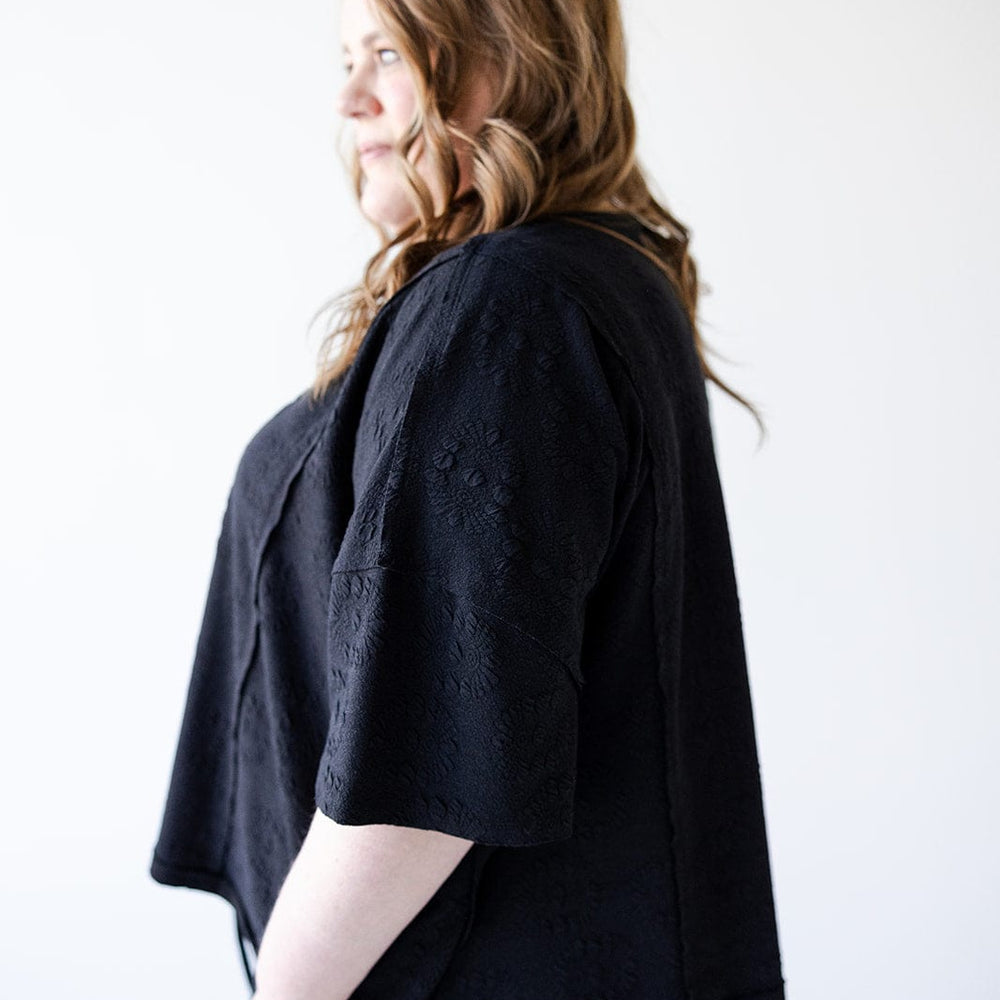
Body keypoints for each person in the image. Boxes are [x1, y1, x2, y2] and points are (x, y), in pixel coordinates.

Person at [148, 0, 787, 996]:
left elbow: (431, 752)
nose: (349, 98)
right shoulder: (588, 279)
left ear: (511, 54)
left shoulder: (510, 306)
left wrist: (292, 981)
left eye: (390, 54)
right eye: (348, 58)